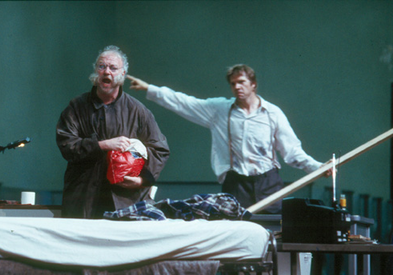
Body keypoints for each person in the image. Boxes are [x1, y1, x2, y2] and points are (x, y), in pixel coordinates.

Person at [127, 64, 326, 213]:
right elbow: (186, 103)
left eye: (242, 82)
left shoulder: (273, 114)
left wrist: (317, 167)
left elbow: (292, 151)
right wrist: (150, 89)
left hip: (268, 184)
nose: (237, 87)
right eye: (233, 84)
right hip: (236, 184)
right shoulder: (219, 110)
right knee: (236, 232)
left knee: (272, 233)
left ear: (253, 84)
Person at [56, 45, 170, 218]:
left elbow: (160, 149)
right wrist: (102, 145)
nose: (106, 72)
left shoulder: (138, 111)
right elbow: (67, 145)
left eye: (113, 68)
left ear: (123, 74)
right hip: (83, 199)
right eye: (101, 66)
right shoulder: (76, 107)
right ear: (96, 71)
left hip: (124, 200)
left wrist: (141, 180)